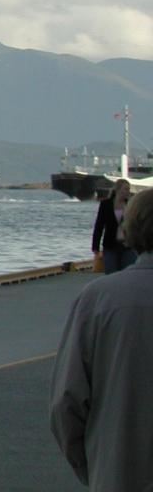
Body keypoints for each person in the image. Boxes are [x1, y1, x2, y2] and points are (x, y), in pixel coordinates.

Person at [50, 188, 153, 492]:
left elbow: (65, 403)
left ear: (128, 230)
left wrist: (94, 467)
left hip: (117, 472)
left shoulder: (96, 299)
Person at [92, 178, 136, 273]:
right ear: (117, 190)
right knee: (111, 273)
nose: (128, 192)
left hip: (127, 246)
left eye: (129, 189)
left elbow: (135, 226)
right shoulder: (106, 204)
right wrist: (95, 246)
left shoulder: (130, 205)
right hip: (110, 245)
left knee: (127, 274)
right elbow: (99, 225)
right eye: (126, 189)